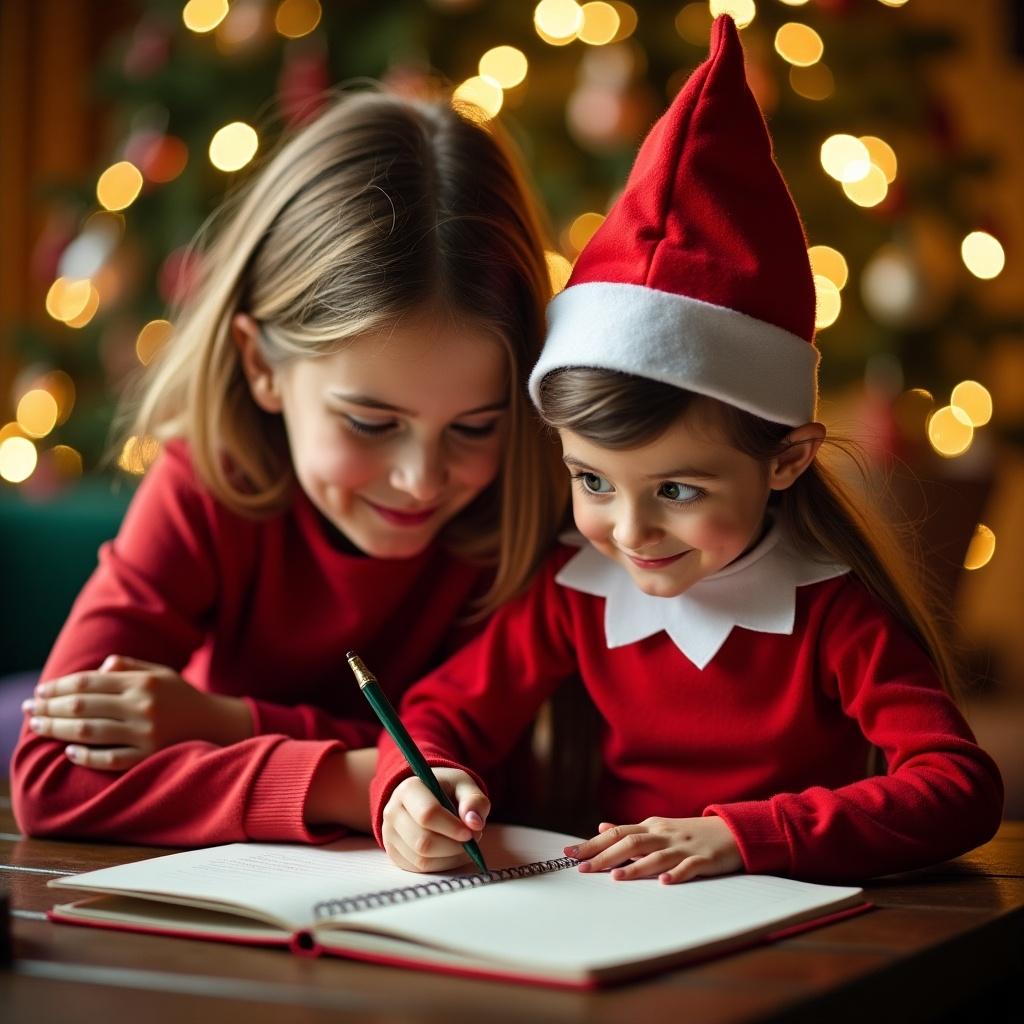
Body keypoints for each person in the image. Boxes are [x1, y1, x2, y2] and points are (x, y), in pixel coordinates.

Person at [370, 17, 1004, 883]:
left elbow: (958, 787)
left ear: (785, 459)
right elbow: (439, 712)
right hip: (606, 916)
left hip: (798, 931)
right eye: (592, 479)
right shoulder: (574, 597)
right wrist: (418, 787)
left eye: (676, 490)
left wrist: (742, 837)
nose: (628, 531)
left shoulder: (831, 614)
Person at [11, 88, 566, 846]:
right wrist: (354, 781)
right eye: (371, 423)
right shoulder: (209, 485)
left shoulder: (538, 503)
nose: (421, 479)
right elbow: (51, 778)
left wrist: (224, 724)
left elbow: (494, 766)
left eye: (476, 426)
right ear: (260, 365)